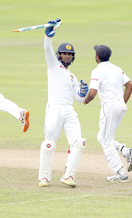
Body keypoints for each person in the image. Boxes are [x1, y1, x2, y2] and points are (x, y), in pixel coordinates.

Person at [38, 19, 88, 188]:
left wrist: (83, 92)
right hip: (54, 108)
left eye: (70, 54)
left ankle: (68, 176)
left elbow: (79, 99)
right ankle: (44, 178)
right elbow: (47, 49)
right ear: (59, 55)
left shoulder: (72, 76)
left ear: (72, 57)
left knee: (79, 142)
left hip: (69, 110)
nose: (67, 56)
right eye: (64, 54)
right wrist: (48, 35)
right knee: (49, 143)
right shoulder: (53, 66)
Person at [83, 45, 132, 183]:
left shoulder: (96, 71)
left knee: (106, 140)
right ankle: (125, 151)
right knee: (102, 136)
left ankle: (120, 172)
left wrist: (86, 101)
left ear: (97, 56)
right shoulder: (117, 69)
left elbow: (93, 92)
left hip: (109, 107)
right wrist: (121, 103)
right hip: (120, 106)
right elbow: (130, 85)